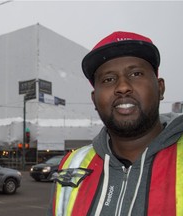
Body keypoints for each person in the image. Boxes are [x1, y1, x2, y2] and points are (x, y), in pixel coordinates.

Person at [47, 31, 183, 216]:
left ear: (160, 88)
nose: (122, 87)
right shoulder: (72, 167)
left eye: (136, 73)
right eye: (108, 79)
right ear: (95, 100)